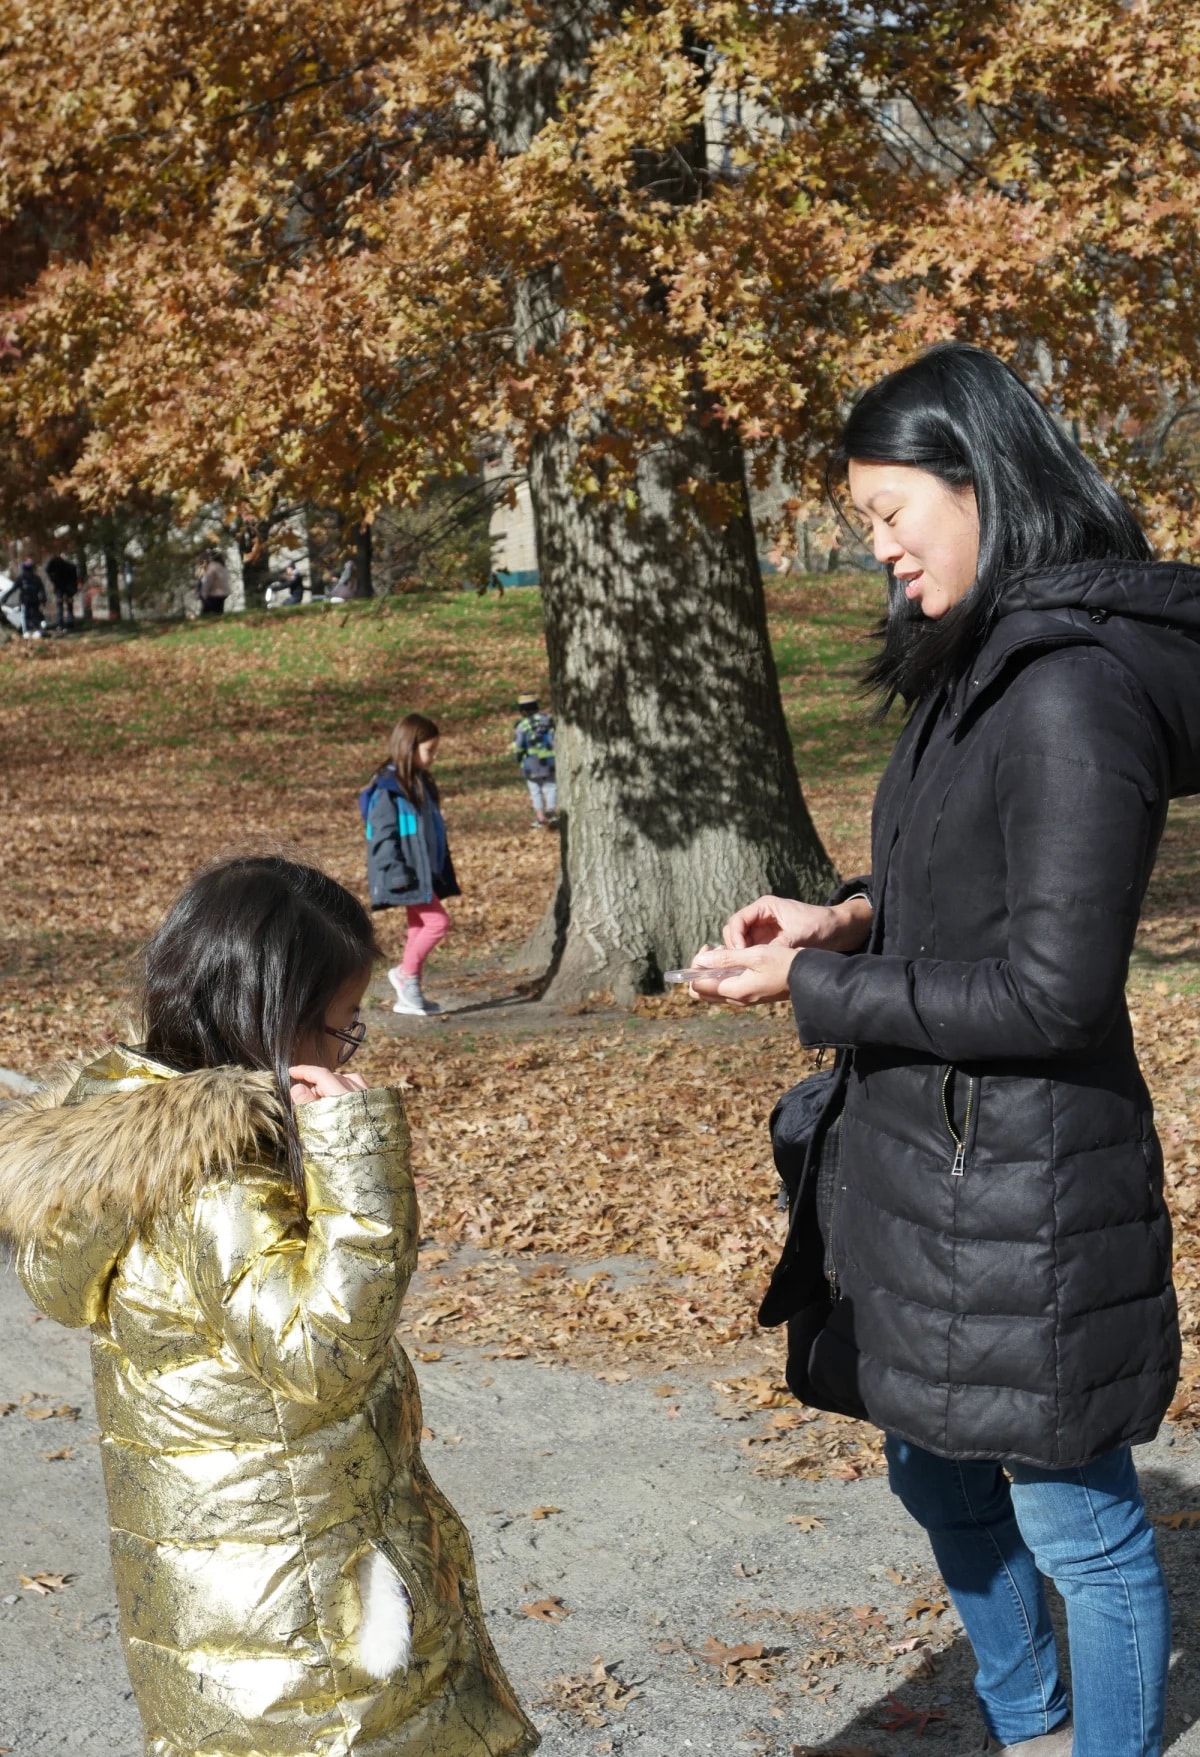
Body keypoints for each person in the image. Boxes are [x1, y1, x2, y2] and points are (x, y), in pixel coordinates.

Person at [690, 343, 1199, 1757]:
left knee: (1076, 1518)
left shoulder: (1068, 690)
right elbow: (968, 896)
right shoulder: (971, 667)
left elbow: (1052, 992)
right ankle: (1026, 1717)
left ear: (982, 481)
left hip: (1031, 1187)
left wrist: (815, 989)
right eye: (864, 521)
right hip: (931, 1164)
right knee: (931, 1461)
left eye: (890, 510)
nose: (881, 547)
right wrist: (845, 920)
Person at [0, 855, 537, 1757]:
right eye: (344, 1028)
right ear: (273, 1024)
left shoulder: (132, 1139)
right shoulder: (212, 1176)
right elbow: (320, 1354)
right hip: (302, 1610)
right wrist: (357, 1156)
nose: (350, 1048)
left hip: (234, 1588)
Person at [359, 713, 460, 1017]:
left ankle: (410, 990)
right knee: (437, 923)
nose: (433, 757)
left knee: (419, 924)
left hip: (423, 872)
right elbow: (383, 837)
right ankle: (406, 975)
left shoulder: (418, 782)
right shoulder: (388, 789)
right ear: (409, 747)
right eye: (429, 750)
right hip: (405, 874)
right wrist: (398, 873)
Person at [511, 693, 557, 828]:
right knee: (551, 787)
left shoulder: (522, 726)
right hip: (549, 761)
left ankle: (540, 817)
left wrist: (518, 757)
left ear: (522, 711)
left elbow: (519, 745)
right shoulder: (547, 720)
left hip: (530, 763)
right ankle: (551, 811)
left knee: (535, 790)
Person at [45, 550, 78, 630]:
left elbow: (74, 580)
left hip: (68, 588)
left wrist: (73, 591)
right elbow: (48, 570)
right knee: (60, 606)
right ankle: (61, 624)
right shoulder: (55, 563)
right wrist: (53, 580)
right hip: (59, 587)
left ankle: (69, 624)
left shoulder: (71, 566)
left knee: (69, 606)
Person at [15, 556, 46, 636]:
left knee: (34, 615)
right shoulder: (21, 578)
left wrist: (43, 598)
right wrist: (4, 597)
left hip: (34, 600)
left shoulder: (36, 578)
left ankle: (36, 630)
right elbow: (14, 588)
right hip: (25, 601)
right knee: (25, 615)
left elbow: (41, 590)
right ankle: (27, 631)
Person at [197, 550, 230, 615]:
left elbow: (208, 582)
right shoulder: (222, 566)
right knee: (219, 613)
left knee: (205, 614)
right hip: (223, 594)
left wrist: (203, 594)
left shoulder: (212, 566)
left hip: (214, 595)